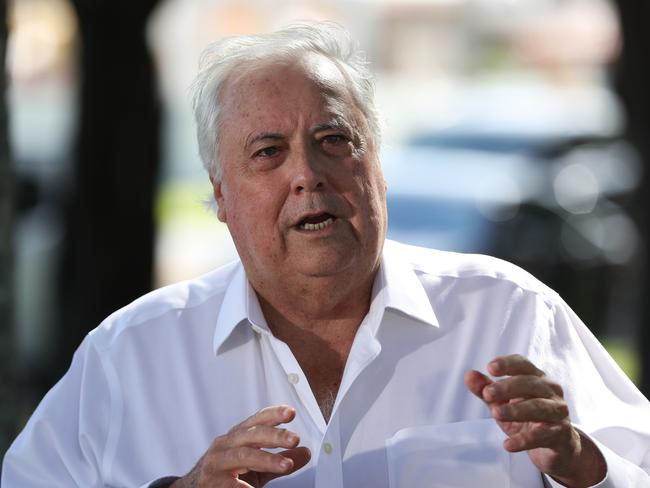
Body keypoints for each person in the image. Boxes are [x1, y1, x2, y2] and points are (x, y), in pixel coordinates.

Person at [3, 22, 650, 488]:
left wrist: (581, 464)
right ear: (221, 196)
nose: (307, 175)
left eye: (333, 139)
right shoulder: (129, 356)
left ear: (379, 168)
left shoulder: (510, 313)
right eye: (268, 152)